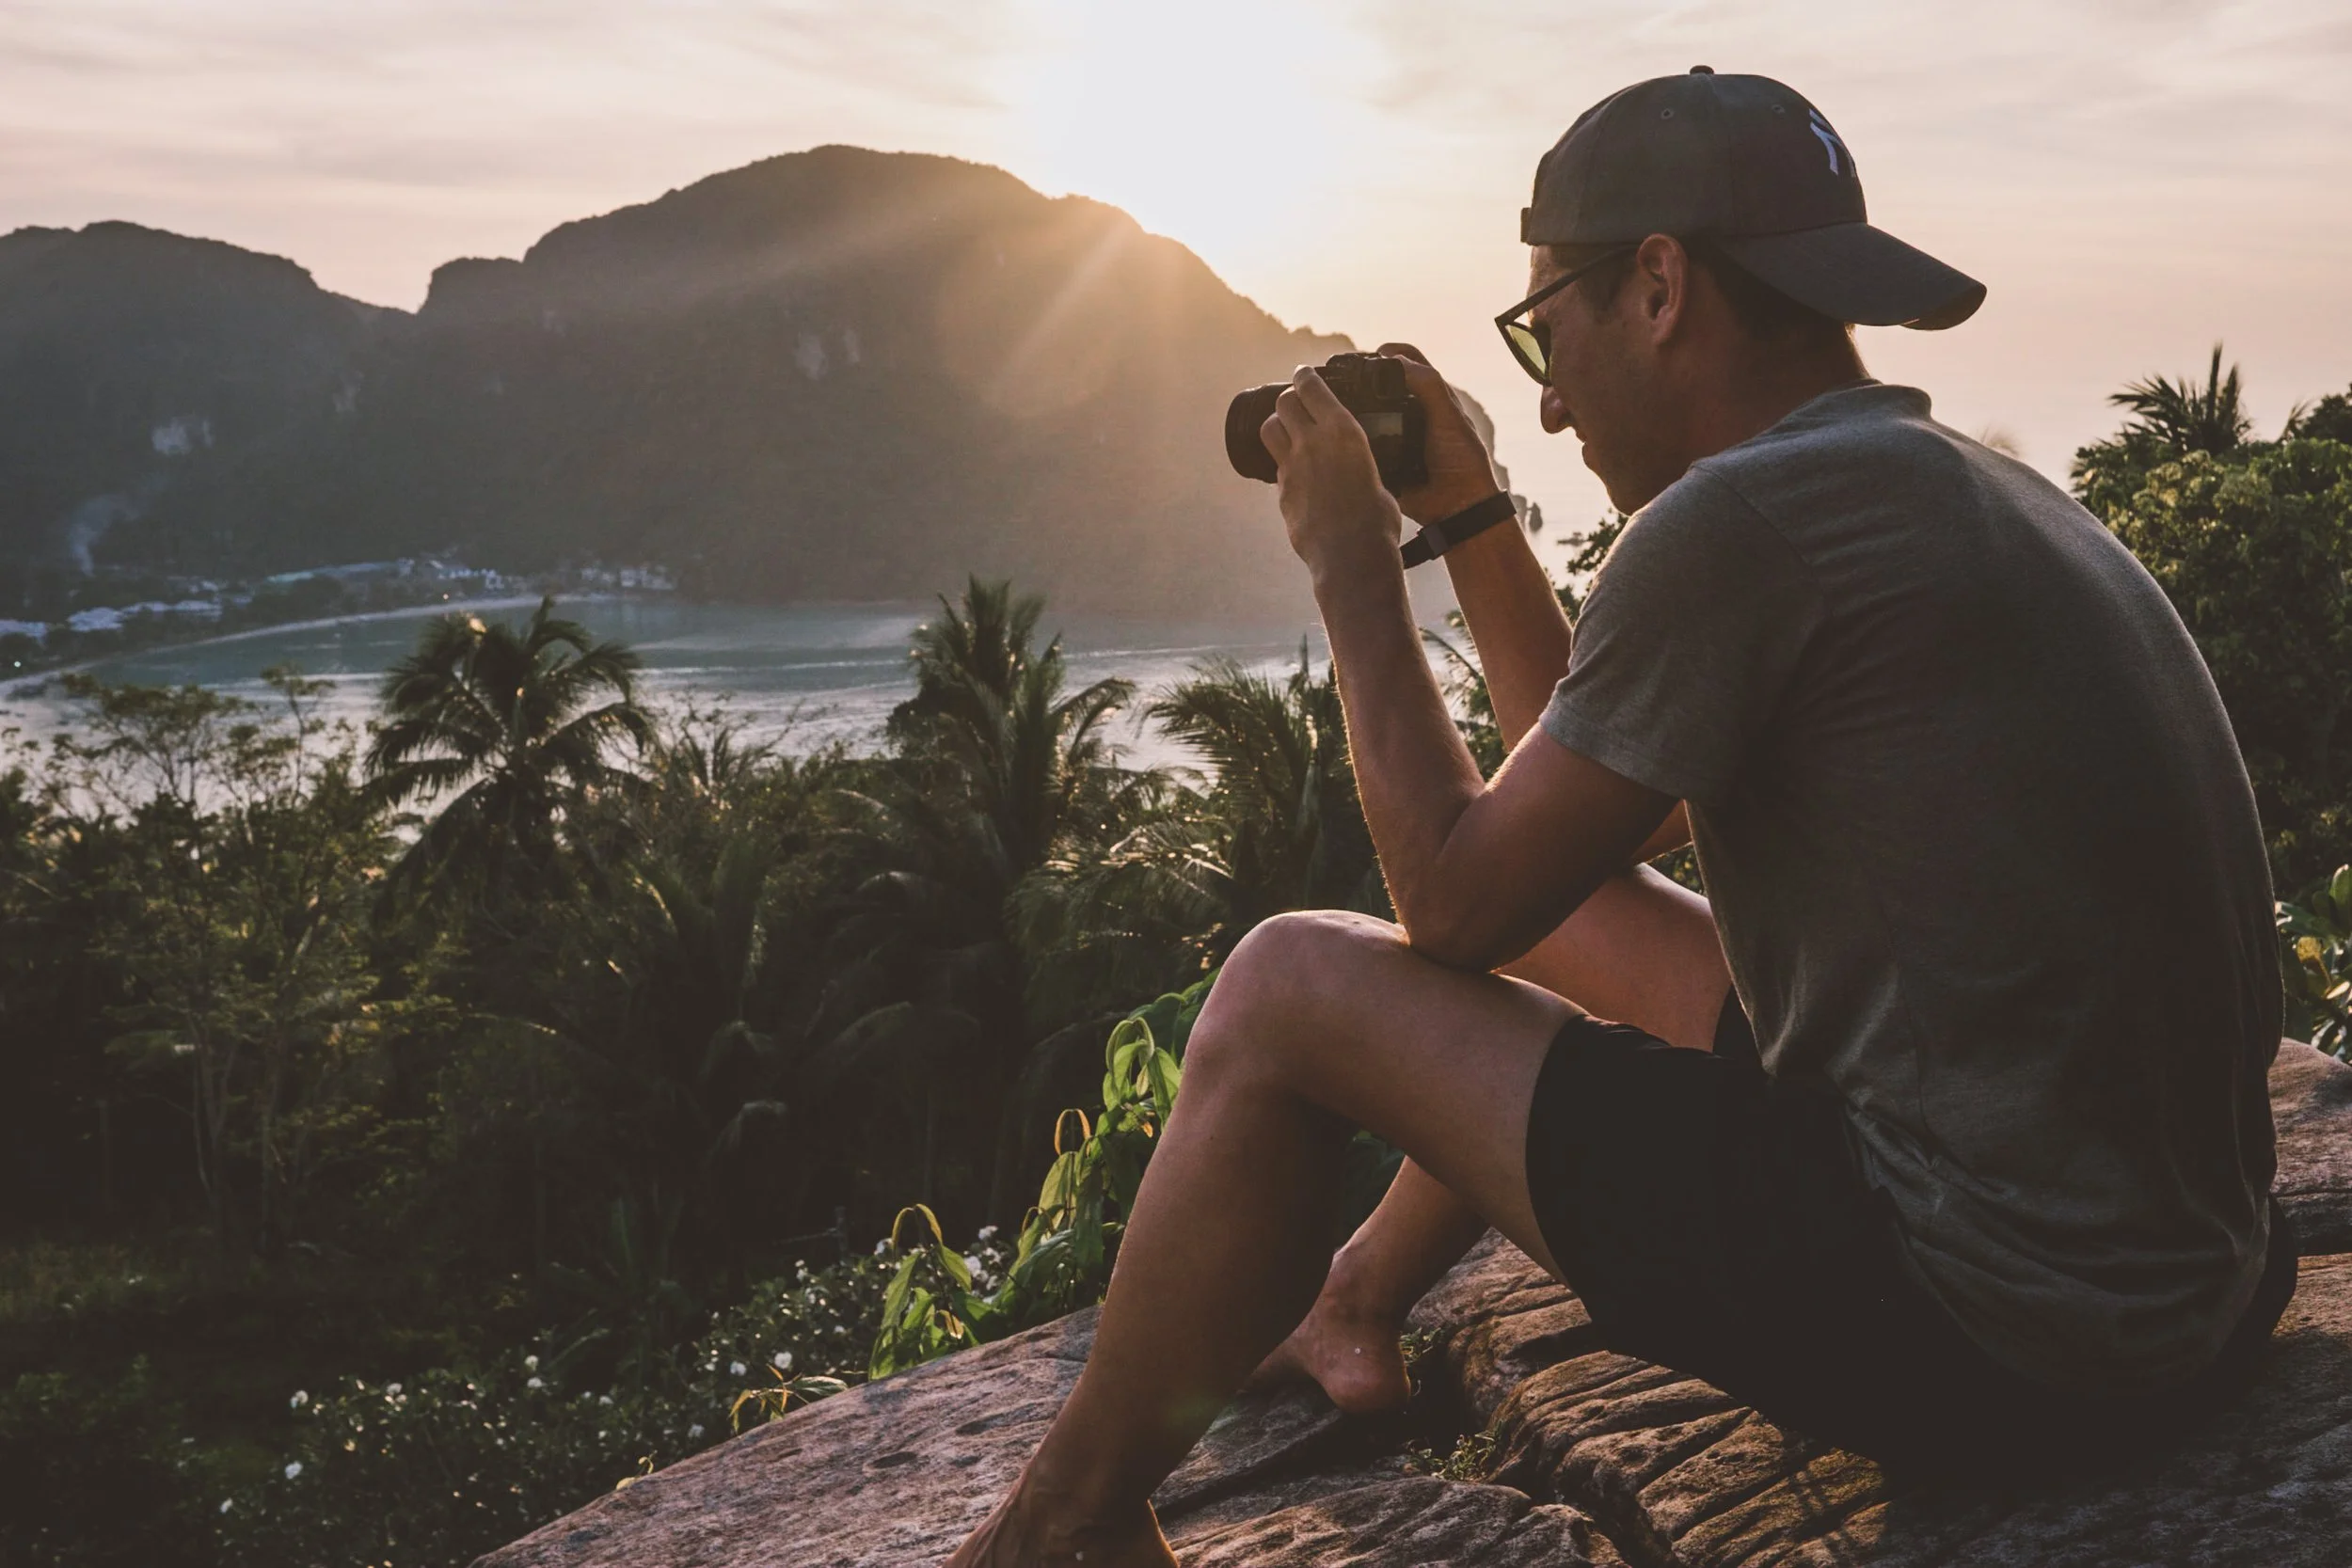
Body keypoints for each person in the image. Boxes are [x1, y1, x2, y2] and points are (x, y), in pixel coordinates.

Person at [946, 69, 2294, 1568]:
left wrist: (1348, 566)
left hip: (1992, 1331)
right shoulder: (1946, 483)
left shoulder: (1740, 523)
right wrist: (1467, 517)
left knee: (1282, 985)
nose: (1540, 389)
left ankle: (1053, 1530)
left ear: (1659, 284)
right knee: (1572, 909)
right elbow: (1571, 831)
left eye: (1548, 323)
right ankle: (1352, 1298)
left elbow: (1453, 904)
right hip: (2190, 1301)